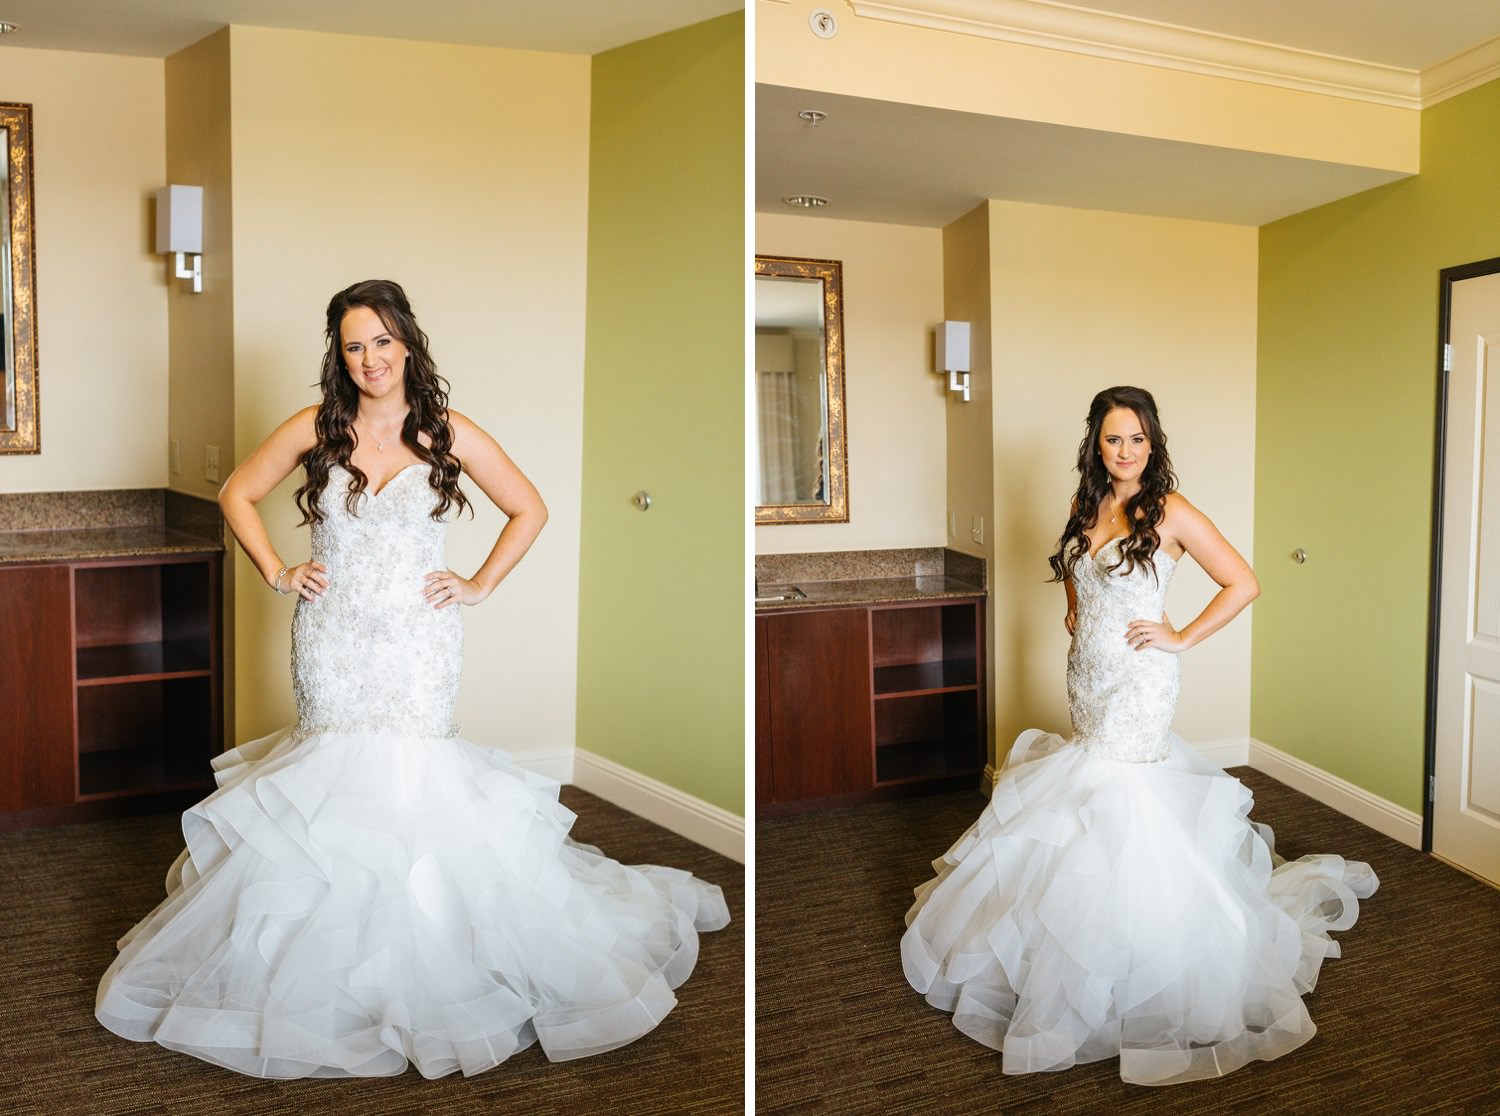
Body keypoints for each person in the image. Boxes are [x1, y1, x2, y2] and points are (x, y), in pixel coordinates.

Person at [95, 279, 729, 1079]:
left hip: (418, 643)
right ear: (340, 354)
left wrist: (479, 582)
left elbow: (528, 507)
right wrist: (277, 570)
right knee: (330, 780)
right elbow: (236, 493)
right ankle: (323, 966)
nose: (371, 359)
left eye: (383, 342)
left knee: (413, 780)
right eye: (354, 345)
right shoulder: (316, 429)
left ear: (408, 345)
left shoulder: (447, 432)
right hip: (332, 638)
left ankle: (429, 956)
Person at [900, 385, 1376, 1087]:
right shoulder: (1084, 505)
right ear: (1096, 443)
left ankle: (1137, 964)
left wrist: (1179, 635)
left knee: (1123, 796)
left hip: (1141, 683)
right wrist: (1076, 615)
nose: (1125, 452)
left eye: (1138, 440)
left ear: (1153, 445)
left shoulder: (1171, 510)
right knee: (1085, 798)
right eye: (1113, 439)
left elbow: (1242, 582)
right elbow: (1077, 572)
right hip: (1088, 676)